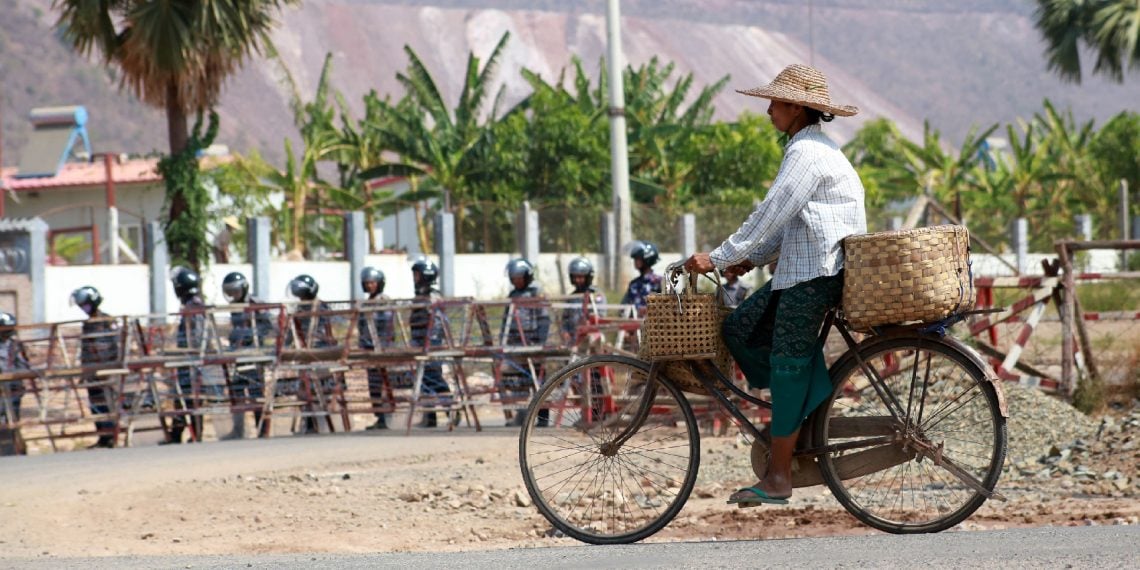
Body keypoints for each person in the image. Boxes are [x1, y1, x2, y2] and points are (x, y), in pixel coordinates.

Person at [682, 64, 866, 507]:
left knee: (786, 366)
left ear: (797, 108)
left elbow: (772, 211)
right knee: (740, 329)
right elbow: (790, 224)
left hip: (817, 273)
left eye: (775, 103)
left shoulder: (807, 154)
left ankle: (780, 475)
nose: (768, 111)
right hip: (801, 269)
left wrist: (721, 255)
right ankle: (800, 410)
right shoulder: (810, 148)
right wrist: (750, 258)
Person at [500, 258, 550, 427]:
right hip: (516, 343)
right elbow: (506, 320)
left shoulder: (537, 292)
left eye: (519, 277)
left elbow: (544, 318)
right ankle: (521, 415)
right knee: (518, 381)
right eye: (514, 278)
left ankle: (543, 417)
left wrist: (540, 342)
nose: (517, 281)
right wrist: (503, 340)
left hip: (533, 342)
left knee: (539, 380)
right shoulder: (513, 296)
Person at [221, 271, 272, 438]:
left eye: (234, 291)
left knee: (256, 393)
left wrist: (254, 336)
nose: (232, 295)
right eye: (229, 292)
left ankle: (262, 430)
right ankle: (238, 430)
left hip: (254, 356)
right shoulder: (234, 308)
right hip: (238, 355)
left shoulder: (255, 304)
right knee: (237, 391)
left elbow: (268, 326)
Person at [70, 286, 121, 449]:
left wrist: (106, 367)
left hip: (106, 371)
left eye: (84, 304)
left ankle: (111, 437)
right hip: (93, 372)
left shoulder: (106, 321)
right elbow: (87, 348)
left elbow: (111, 346)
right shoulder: (88, 324)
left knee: (107, 404)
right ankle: (103, 438)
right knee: (95, 405)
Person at [287, 274, 337, 434]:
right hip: (304, 355)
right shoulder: (299, 309)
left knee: (322, 390)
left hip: (320, 354)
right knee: (304, 390)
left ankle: (323, 424)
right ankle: (308, 423)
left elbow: (326, 331)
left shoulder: (321, 308)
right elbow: (291, 332)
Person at [167, 267, 206, 444]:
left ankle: (194, 434)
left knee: (192, 397)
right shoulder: (190, 306)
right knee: (182, 397)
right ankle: (177, 434)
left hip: (193, 361)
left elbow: (197, 338)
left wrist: (190, 354)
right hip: (186, 360)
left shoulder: (194, 307)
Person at [409, 257, 450, 428]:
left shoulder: (433, 297)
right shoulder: (419, 297)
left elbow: (438, 323)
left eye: (417, 275)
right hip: (419, 344)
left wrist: (430, 344)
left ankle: (451, 409)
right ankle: (429, 416)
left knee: (434, 379)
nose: (415, 278)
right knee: (423, 381)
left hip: (431, 346)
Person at [358, 266, 394, 430]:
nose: (369, 286)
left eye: (372, 282)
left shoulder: (383, 300)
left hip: (382, 348)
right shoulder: (365, 303)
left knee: (385, 383)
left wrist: (383, 343)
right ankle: (379, 416)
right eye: (367, 283)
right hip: (369, 349)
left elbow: (386, 324)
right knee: (373, 384)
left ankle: (387, 416)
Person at [0, 312, 30, 455]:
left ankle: (15, 450)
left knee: (13, 419)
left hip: (13, 388)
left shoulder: (15, 345)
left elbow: (24, 366)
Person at [560, 257, 606, 345]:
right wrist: (565, 332)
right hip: (573, 340)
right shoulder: (572, 297)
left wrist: (588, 324)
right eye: (575, 277)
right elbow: (565, 319)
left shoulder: (595, 295)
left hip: (591, 339)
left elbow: (600, 317)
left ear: (588, 277)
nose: (577, 280)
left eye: (580, 277)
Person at [620, 241, 662, 315]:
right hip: (634, 324)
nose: (635, 261)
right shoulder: (633, 284)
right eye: (635, 259)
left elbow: (671, 306)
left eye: (638, 258)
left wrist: (650, 310)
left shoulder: (659, 282)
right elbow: (623, 307)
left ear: (647, 259)